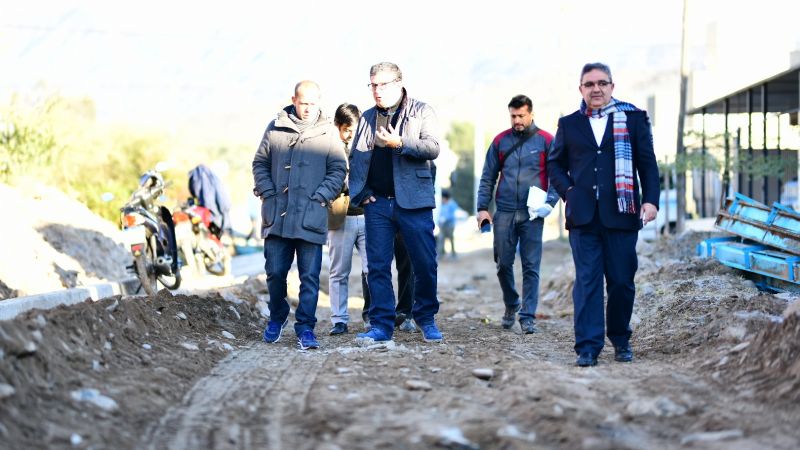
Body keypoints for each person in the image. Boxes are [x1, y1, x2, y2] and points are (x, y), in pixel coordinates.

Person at [547, 63, 660, 367]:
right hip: (583, 216)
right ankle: (587, 347)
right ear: (581, 89)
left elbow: (647, 164)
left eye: (601, 83)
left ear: (612, 86)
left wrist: (651, 200)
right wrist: (569, 191)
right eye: (589, 84)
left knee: (622, 281)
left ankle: (621, 339)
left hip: (622, 213)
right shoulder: (569, 124)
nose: (596, 89)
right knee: (587, 282)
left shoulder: (634, 119)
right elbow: (554, 164)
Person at [348, 61, 442, 344]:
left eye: (383, 84)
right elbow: (356, 158)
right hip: (377, 204)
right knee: (377, 267)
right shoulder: (367, 117)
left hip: (414, 202)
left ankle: (425, 318)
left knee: (424, 263)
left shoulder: (422, 111)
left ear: (399, 83)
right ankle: (381, 325)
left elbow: (432, 148)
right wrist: (362, 194)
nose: (377, 90)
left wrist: (400, 143)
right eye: (373, 85)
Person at [252, 80, 347, 350]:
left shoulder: (328, 132)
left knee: (310, 278)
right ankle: (278, 316)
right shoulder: (275, 127)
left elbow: (338, 169)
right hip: (277, 215)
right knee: (274, 272)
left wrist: (321, 196)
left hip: (311, 215)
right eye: (303, 103)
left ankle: (306, 327)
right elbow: (260, 162)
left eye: (312, 103)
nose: (307, 108)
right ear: (293, 99)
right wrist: (268, 192)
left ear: (319, 102)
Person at [476, 95, 559, 335]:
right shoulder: (500, 141)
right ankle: (512, 303)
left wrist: (550, 203)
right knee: (503, 264)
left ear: (531, 114)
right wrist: (482, 208)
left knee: (531, 266)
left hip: (533, 214)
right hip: (504, 212)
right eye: (513, 116)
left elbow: (557, 175)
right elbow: (488, 177)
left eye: (521, 115)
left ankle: (528, 316)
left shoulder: (546, 141)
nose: (517, 120)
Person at [326, 103, 370, 336]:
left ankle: (371, 316)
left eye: (355, 130)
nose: (351, 135)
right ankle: (339, 320)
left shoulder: (367, 147)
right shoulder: (327, 149)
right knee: (338, 272)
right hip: (340, 218)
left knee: (372, 270)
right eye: (346, 131)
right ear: (337, 126)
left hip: (368, 216)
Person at [437, 190, 459, 259]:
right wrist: (439, 221)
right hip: (442, 225)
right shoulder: (442, 204)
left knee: (451, 239)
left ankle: (453, 254)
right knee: (441, 238)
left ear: (445, 197)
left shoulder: (452, 204)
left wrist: (445, 218)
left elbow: (453, 214)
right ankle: (440, 254)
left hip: (450, 225)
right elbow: (440, 214)